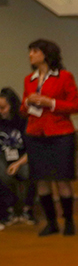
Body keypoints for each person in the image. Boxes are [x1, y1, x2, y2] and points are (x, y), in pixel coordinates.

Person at [21, 38, 78, 236]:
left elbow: (75, 106)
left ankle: (69, 221)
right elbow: (23, 110)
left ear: (46, 54)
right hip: (35, 134)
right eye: (30, 51)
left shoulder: (64, 76)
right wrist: (28, 102)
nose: (30, 55)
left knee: (62, 179)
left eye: (34, 51)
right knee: (41, 180)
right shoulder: (29, 79)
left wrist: (51, 103)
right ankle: (51, 222)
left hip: (60, 134)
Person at [0, 87, 36, 225]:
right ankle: (8, 210)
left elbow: (32, 149)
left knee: (31, 169)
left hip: (22, 159)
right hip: (3, 158)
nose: (1, 111)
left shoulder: (24, 121)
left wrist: (18, 163)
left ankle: (27, 209)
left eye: (3, 107)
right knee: (2, 172)